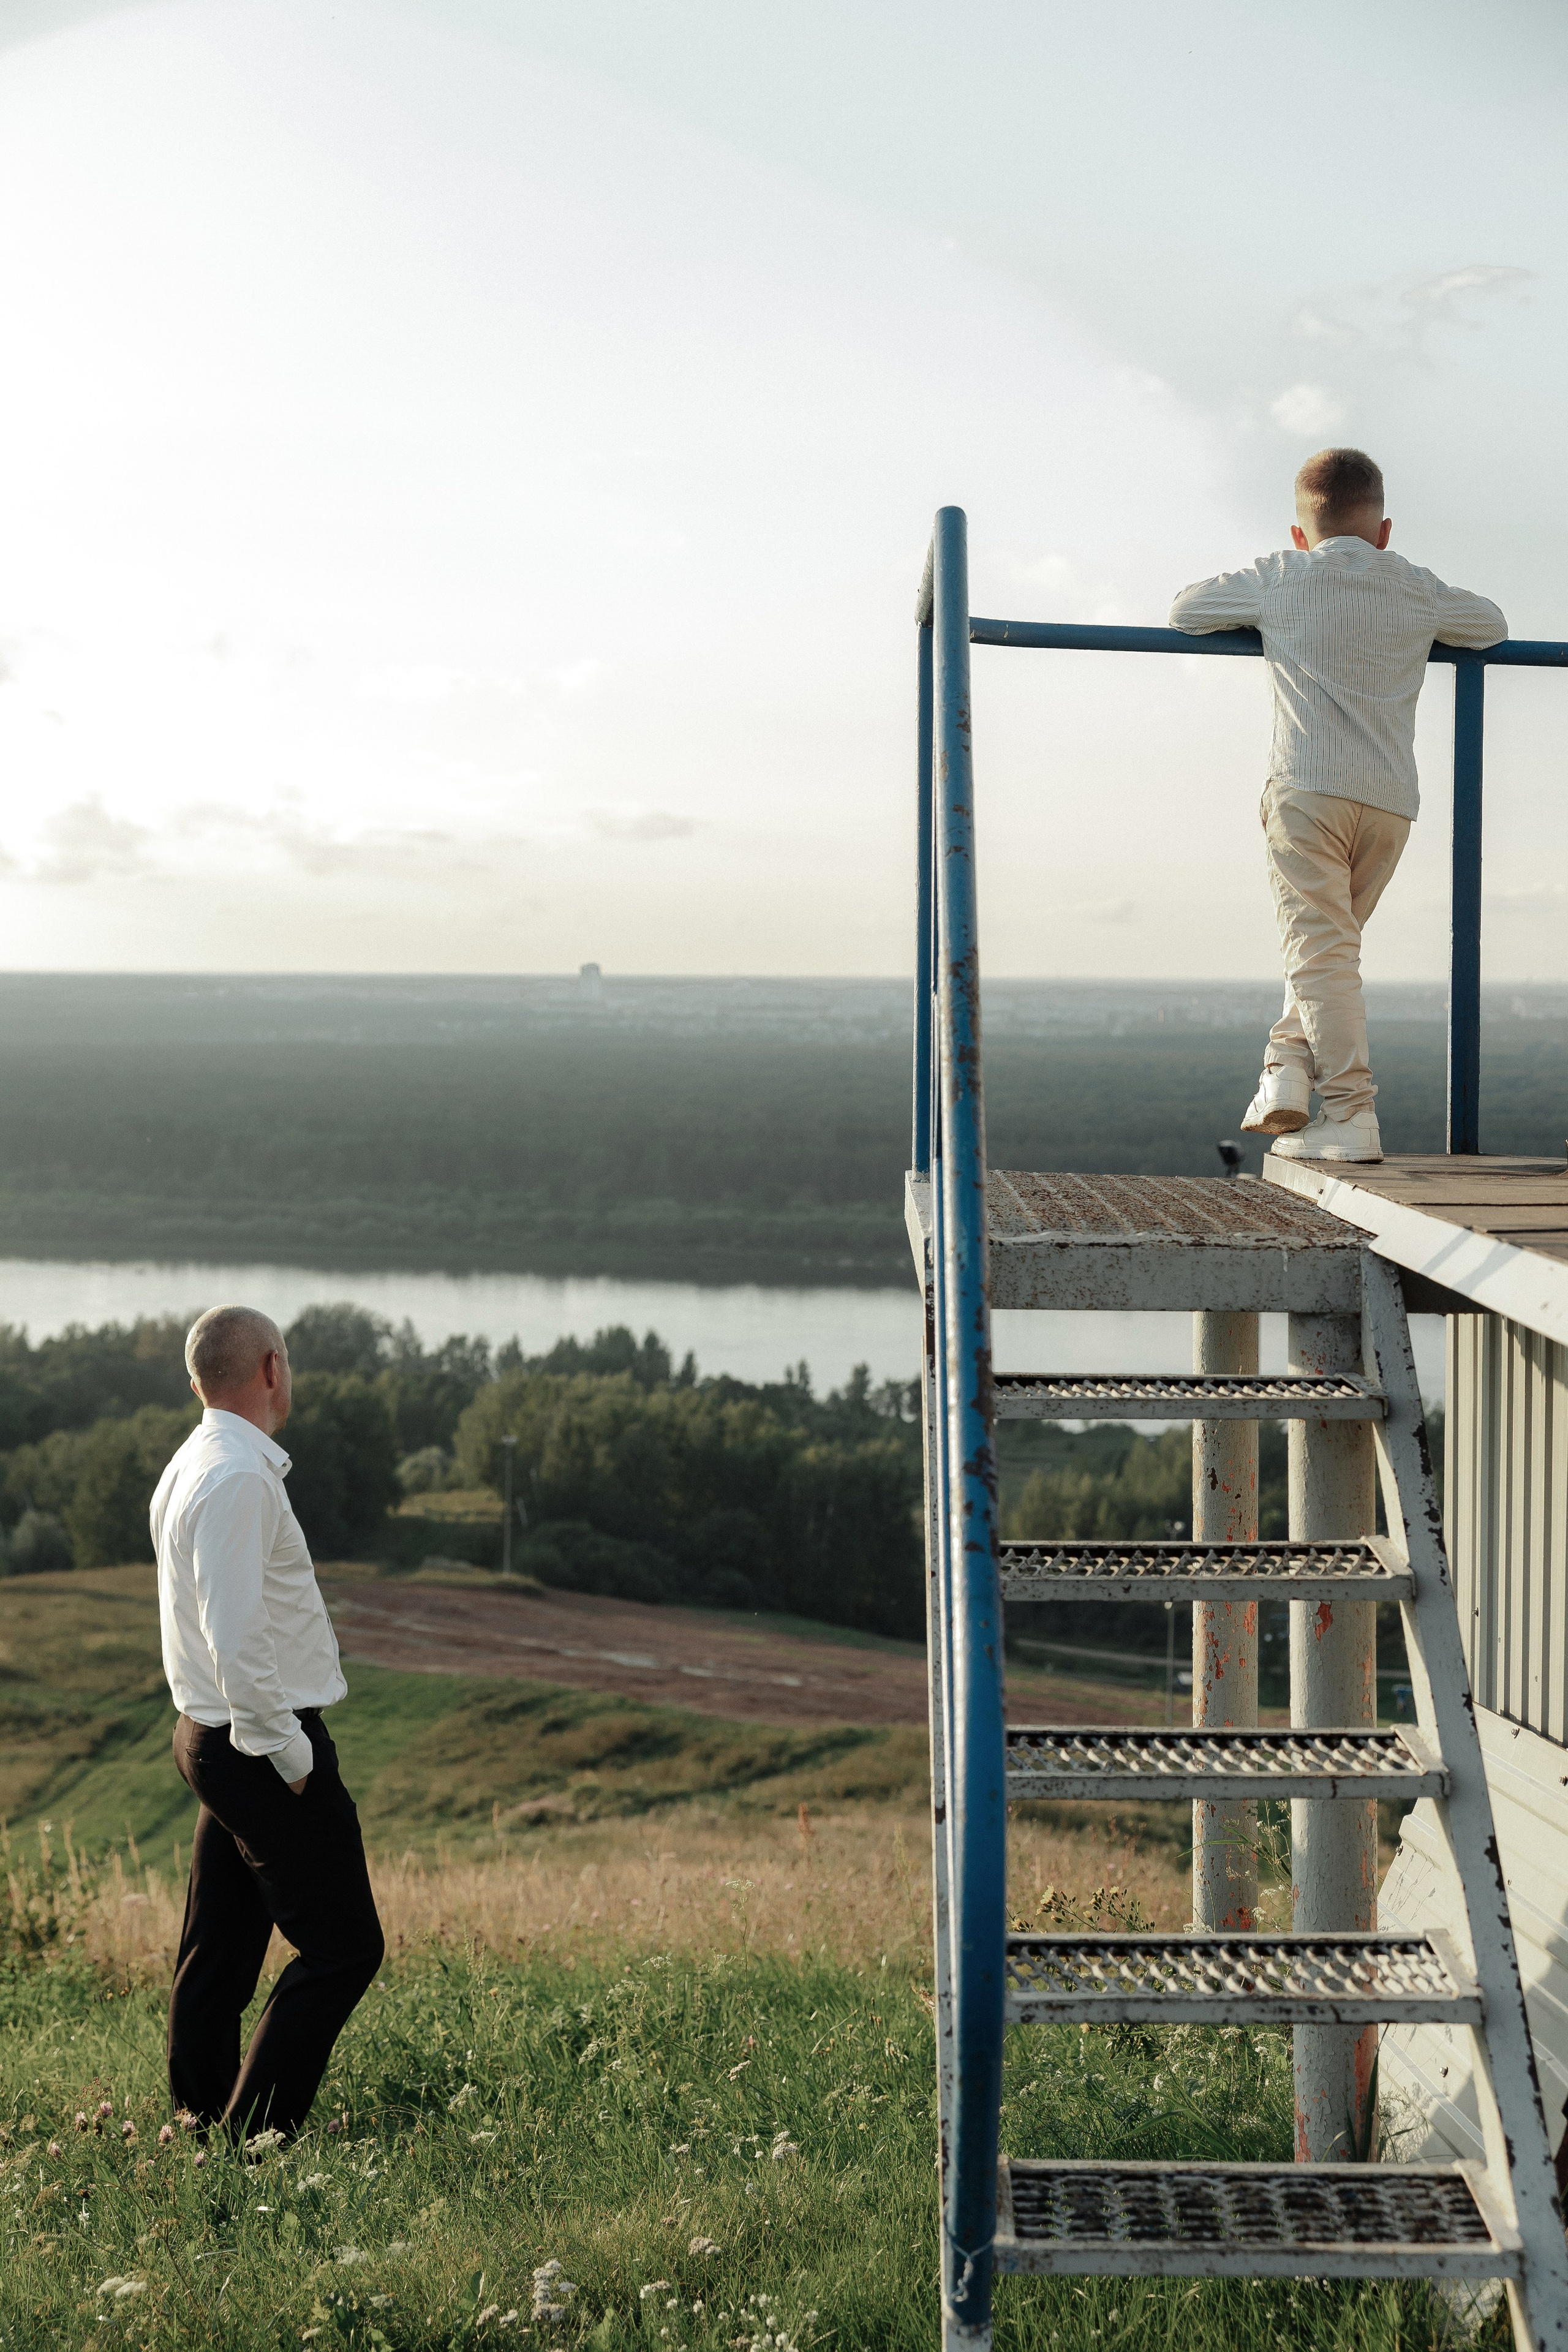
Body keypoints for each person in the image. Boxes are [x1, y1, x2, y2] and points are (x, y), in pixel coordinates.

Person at [1170, 447, 1506, 1162]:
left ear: (1300, 532)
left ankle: (1352, 1116)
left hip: (1308, 791)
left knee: (1322, 954)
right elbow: (1490, 625)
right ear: (1383, 530)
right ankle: (1285, 1072)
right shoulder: (1413, 585)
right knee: (1330, 952)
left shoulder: (1282, 574)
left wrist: (1275, 587)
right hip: (1388, 803)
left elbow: (1186, 610)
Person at [151, 1304, 383, 2143]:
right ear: (273, 1370)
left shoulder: (196, 1459)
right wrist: (290, 1755)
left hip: (214, 1736)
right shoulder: (239, 1476)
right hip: (256, 1740)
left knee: (222, 1943)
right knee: (344, 1949)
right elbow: (238, 1635)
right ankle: (255, 2143)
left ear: (197, 1379)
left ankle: (200, 2115)